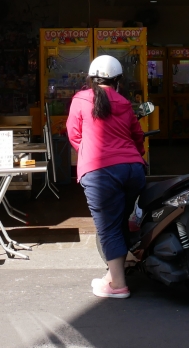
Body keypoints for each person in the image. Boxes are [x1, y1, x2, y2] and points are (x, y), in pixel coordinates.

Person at [67, 55, 146, 299]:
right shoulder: (123, 102)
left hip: (101, 173)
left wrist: (90, 154)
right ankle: (112, 276)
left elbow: (73, 134)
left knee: (109, 228)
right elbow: (138, 137)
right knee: (119, 221)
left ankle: (118, 285)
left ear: (90, 78)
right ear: (118, 81)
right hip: (133, 169)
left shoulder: (80, 99)